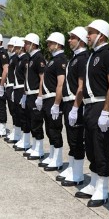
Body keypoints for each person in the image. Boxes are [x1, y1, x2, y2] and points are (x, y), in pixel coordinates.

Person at [76, 20, 109, 207]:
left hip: (101, 105)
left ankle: (102, 189)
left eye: (91, 32)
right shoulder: (93, 55)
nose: (88, 36)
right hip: (90, 106)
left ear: (101, 35)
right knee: (91, 147)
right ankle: (94, 183)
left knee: (101, 148)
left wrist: (106, 112)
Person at [58, 26, 89, 186]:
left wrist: (76, 107)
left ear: (81, 40)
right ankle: (71, 168)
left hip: (75, 102)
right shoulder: (75, 58)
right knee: (71, 138)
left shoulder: (83, 58)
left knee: (77, 139)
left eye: (72, 37)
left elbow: (81, 86)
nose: (69, 40)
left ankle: (78, 174)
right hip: (68, 102)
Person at [39, 32, 67, 171]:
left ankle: (58, 159)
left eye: (50, 42)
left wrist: (57, 104)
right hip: (47, 99)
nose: (48, 45)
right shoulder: (52, 60)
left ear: (58, 44)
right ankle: (52, 155)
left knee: (55, 129)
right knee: (49, 129)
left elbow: (60, 84)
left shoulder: (61, 60)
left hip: (53, 99)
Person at [22, 33, 47, 160]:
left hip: (36, 94)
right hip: (30, 94)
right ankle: (34, 146)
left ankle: (40, 148)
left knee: (37, 122)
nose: (25, 45)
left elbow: (42, 78)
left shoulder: (39, 58)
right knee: (32, 122)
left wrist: (40, 95)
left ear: (33, 44)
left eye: (27, 43)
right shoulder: (31, 58)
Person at [13, 38, 32, 151]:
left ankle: (26, 140)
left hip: (22, 89)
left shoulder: (25, 59)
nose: (14, 50)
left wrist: (24, 93)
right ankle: (23, 138)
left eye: (16, 47)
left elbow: (26, 77)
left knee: (24, 116)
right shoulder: (20, 59)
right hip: (18, 89)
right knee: (19, 114)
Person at [4, 37, 23, 144]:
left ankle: (18, 133)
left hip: (14, 86)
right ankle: (15, 130)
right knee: (13, 110)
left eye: (12, 46)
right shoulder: (12, 58)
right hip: (11, 85)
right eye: (10, 46)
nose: (10, 48)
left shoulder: (16, 58)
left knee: (17, 112)